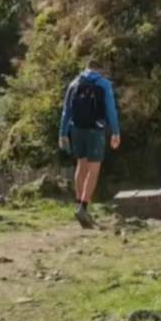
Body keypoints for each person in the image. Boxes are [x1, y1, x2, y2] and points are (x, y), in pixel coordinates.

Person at [59, 59, 121, 228]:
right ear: (100, 69)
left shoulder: (74, 83)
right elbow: (111, 110)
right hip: (95, 130)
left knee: (81, 165)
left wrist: (63, 133)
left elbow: (66, 111)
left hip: (76, 129)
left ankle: (79, 204)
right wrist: (115, 132)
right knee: (94, 169)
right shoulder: (104, 84)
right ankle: (84, 208)